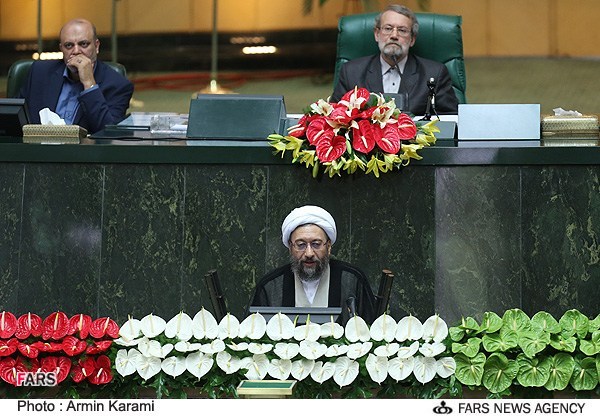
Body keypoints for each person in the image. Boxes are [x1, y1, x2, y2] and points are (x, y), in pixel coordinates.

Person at [249, 205, 376, 325]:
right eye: (301, 245)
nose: (309, 253)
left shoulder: (351, 280)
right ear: (290, 247)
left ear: (329, 246)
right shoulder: (271, 286)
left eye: (316, 244)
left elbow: (372, 329)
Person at [331, 4, 458, 115]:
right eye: (388, 28)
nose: (394, 35)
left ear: (412, 39)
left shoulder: (434, 73)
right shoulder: (351, 72)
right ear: (377, 34)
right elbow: (335, 116)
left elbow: (451, 118)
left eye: (402, 30)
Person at [19, 18, 133, 134]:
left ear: (96, 46)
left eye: (83, 44)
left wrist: (89, 83)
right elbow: (16, 116)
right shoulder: (39, 72)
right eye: (69, 45)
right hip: (38, 144)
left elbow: (108, 134)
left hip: (83, 146)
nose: (76, 51)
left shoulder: (118, 85)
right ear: (61, 49)